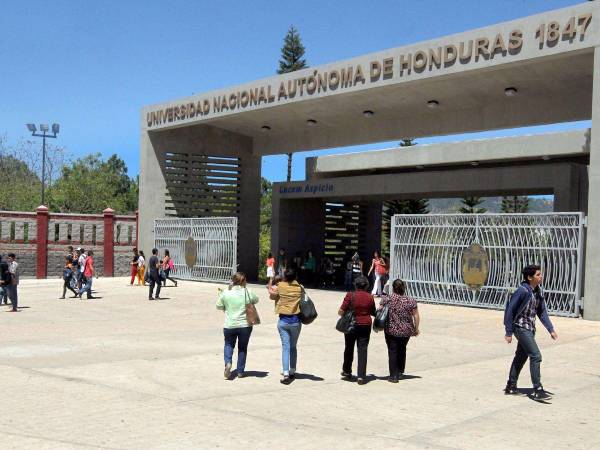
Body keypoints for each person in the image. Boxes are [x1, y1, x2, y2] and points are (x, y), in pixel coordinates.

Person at [504, 264, 558, 400]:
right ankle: (537, 389)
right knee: (535, 355)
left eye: (541, 274)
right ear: (529, 277)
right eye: (538, 275)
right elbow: (509, 311)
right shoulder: (522, 291)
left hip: (530, 328)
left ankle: (511, 385)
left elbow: (542, 312)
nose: (541, 277)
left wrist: (550, 329)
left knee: (521, 357)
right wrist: (509, 331)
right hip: (520, 328)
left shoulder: (537, 291)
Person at [216, 272, 259, 379]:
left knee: (229, 345)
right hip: (245, 325)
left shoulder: (226, 292)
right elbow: (256, 300)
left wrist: (223, 297)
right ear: (243, 281)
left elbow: (219, 306)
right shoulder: (247, 291)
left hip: (230, 324)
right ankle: (240, 371)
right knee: (243, 348)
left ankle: (228, 363)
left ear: (233, 280)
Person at [379, 279, 420, 383]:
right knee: (402, 349)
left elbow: (379, 310)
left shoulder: (387, 298)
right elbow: (416, 315)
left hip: (391, 330)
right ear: (404, 288)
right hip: (406, 331)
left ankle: (393, 375)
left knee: (393, 351)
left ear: (393, 288)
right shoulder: (410, 300)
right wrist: (416, 329)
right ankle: (400, 371)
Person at [338, 275, 375, 385]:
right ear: (366, 286)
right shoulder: (370, 297)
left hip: (351, 325)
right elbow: (373, 312)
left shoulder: (350, 295)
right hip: (365, 325)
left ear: (355, 285)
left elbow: (340, 311)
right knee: (362, 350)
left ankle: (347, 371)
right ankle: (361, 376)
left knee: (349, 348)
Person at [268, 268, 302, 384]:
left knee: (285, 348)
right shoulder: (300, 287)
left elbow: (272, 295)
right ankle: (293, 370)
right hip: (296, 321)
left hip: (283, 321)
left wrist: (270, 283)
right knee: (293, 347)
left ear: (285, 277)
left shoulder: (280, 286)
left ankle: (286, 373)